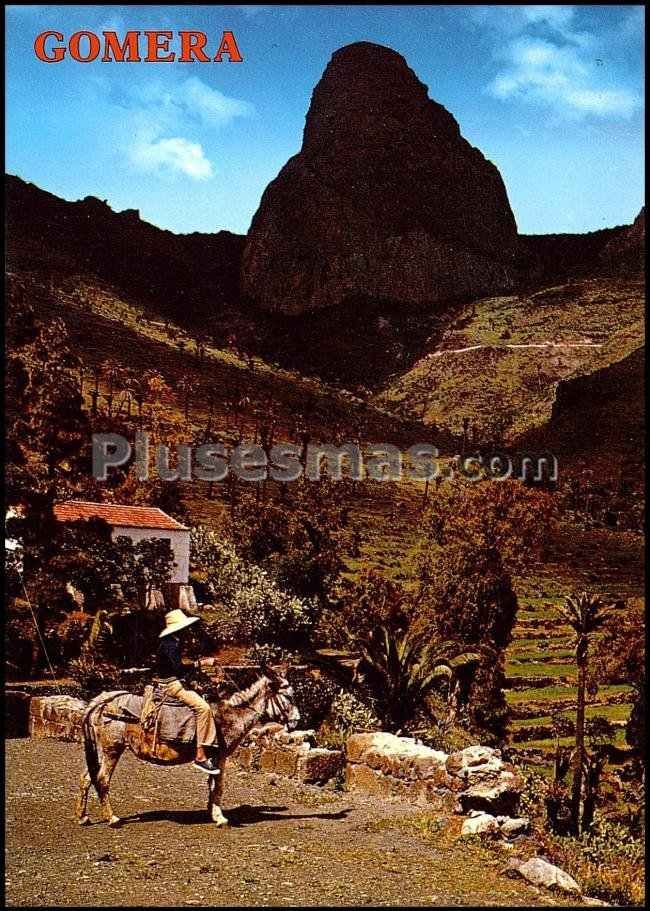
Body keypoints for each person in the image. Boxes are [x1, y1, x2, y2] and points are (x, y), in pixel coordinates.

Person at [155, 608, 220, 775]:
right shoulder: (171, 645)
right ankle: (200, 755)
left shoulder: (171, 642)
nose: (187, 631)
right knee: (203, 708)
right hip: (172, 685)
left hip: (173, 682)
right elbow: (178, 670)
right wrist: (201, 663)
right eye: (185, 628)